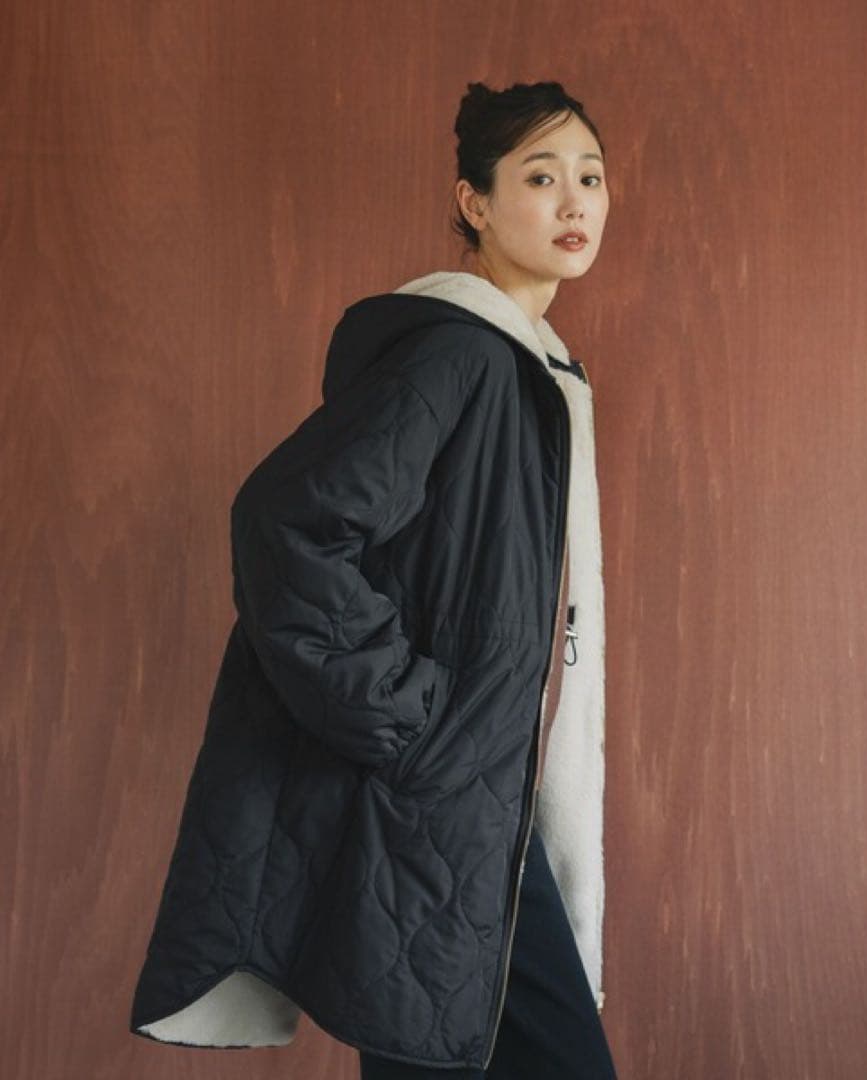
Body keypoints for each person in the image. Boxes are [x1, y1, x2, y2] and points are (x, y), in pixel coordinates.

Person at [129, 80, 615, 1078]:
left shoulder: (539, 375)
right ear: (475, 203)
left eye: (591, 177)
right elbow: (288, 523)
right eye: (540, 177)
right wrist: (410, 718)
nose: (574, 202)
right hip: (443, 811)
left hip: (480, 804)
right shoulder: (460, 357)